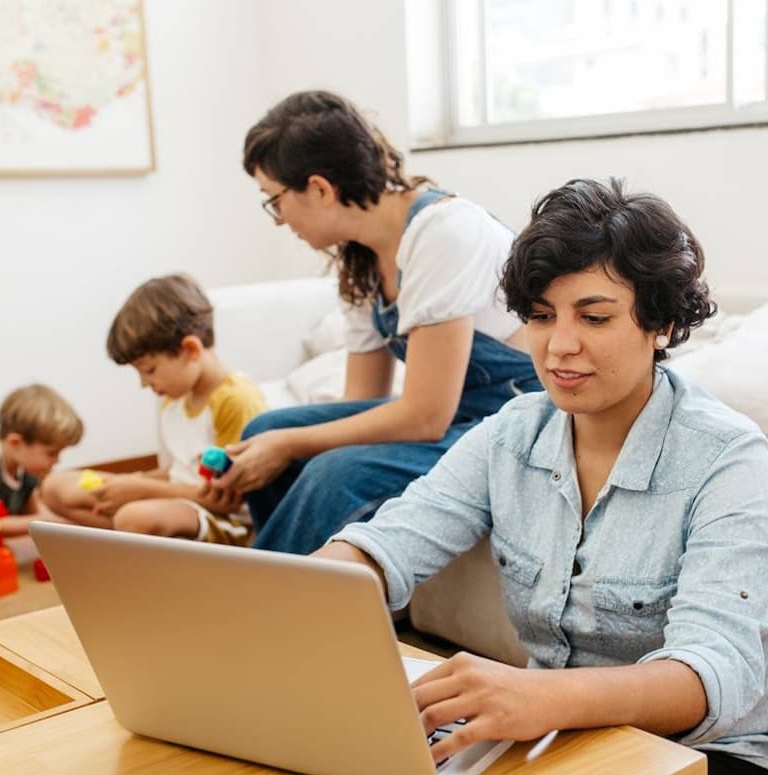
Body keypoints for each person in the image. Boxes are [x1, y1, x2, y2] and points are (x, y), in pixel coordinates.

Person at [314, 179, 768, 775]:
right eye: (543, 316)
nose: (558, 346)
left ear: (660, 324)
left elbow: (707, 675)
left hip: (725, 764)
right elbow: (393, 541)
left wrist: (534, 698)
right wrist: (319, 586)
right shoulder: (512, 432)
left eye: (594, 317)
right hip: (565, 739)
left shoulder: (727, 456)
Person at [207, 90, 540, 554]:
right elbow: (364, 402)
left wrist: (291, 445)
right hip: (452, 417)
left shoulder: (443, 230)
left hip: (513, 419)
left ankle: (263, 608)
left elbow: (425, 416)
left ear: (320, 189)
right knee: (262, 432)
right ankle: (302, 590)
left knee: (333, 474)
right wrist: (272, 447)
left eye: (274, 200)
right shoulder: (360, 258)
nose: (278, 220)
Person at [41, 274, 267, 546]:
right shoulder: (176, 398)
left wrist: (139, 489)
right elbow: (180, 468)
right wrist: (130, 482)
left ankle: (134, 536)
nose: (144, 383)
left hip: (224, 519)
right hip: (175, 497)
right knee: (56, 487)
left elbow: (230, 500)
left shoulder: (235, 400)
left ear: (190, 349)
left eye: (149, 370)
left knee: (134, 518)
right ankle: (137, 541)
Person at [0, 383, 83, 536]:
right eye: (51, 453)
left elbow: (34, 513)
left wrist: (55, 522)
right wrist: (51, 521)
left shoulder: (25, 467)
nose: (57, 461)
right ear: (15, 443)